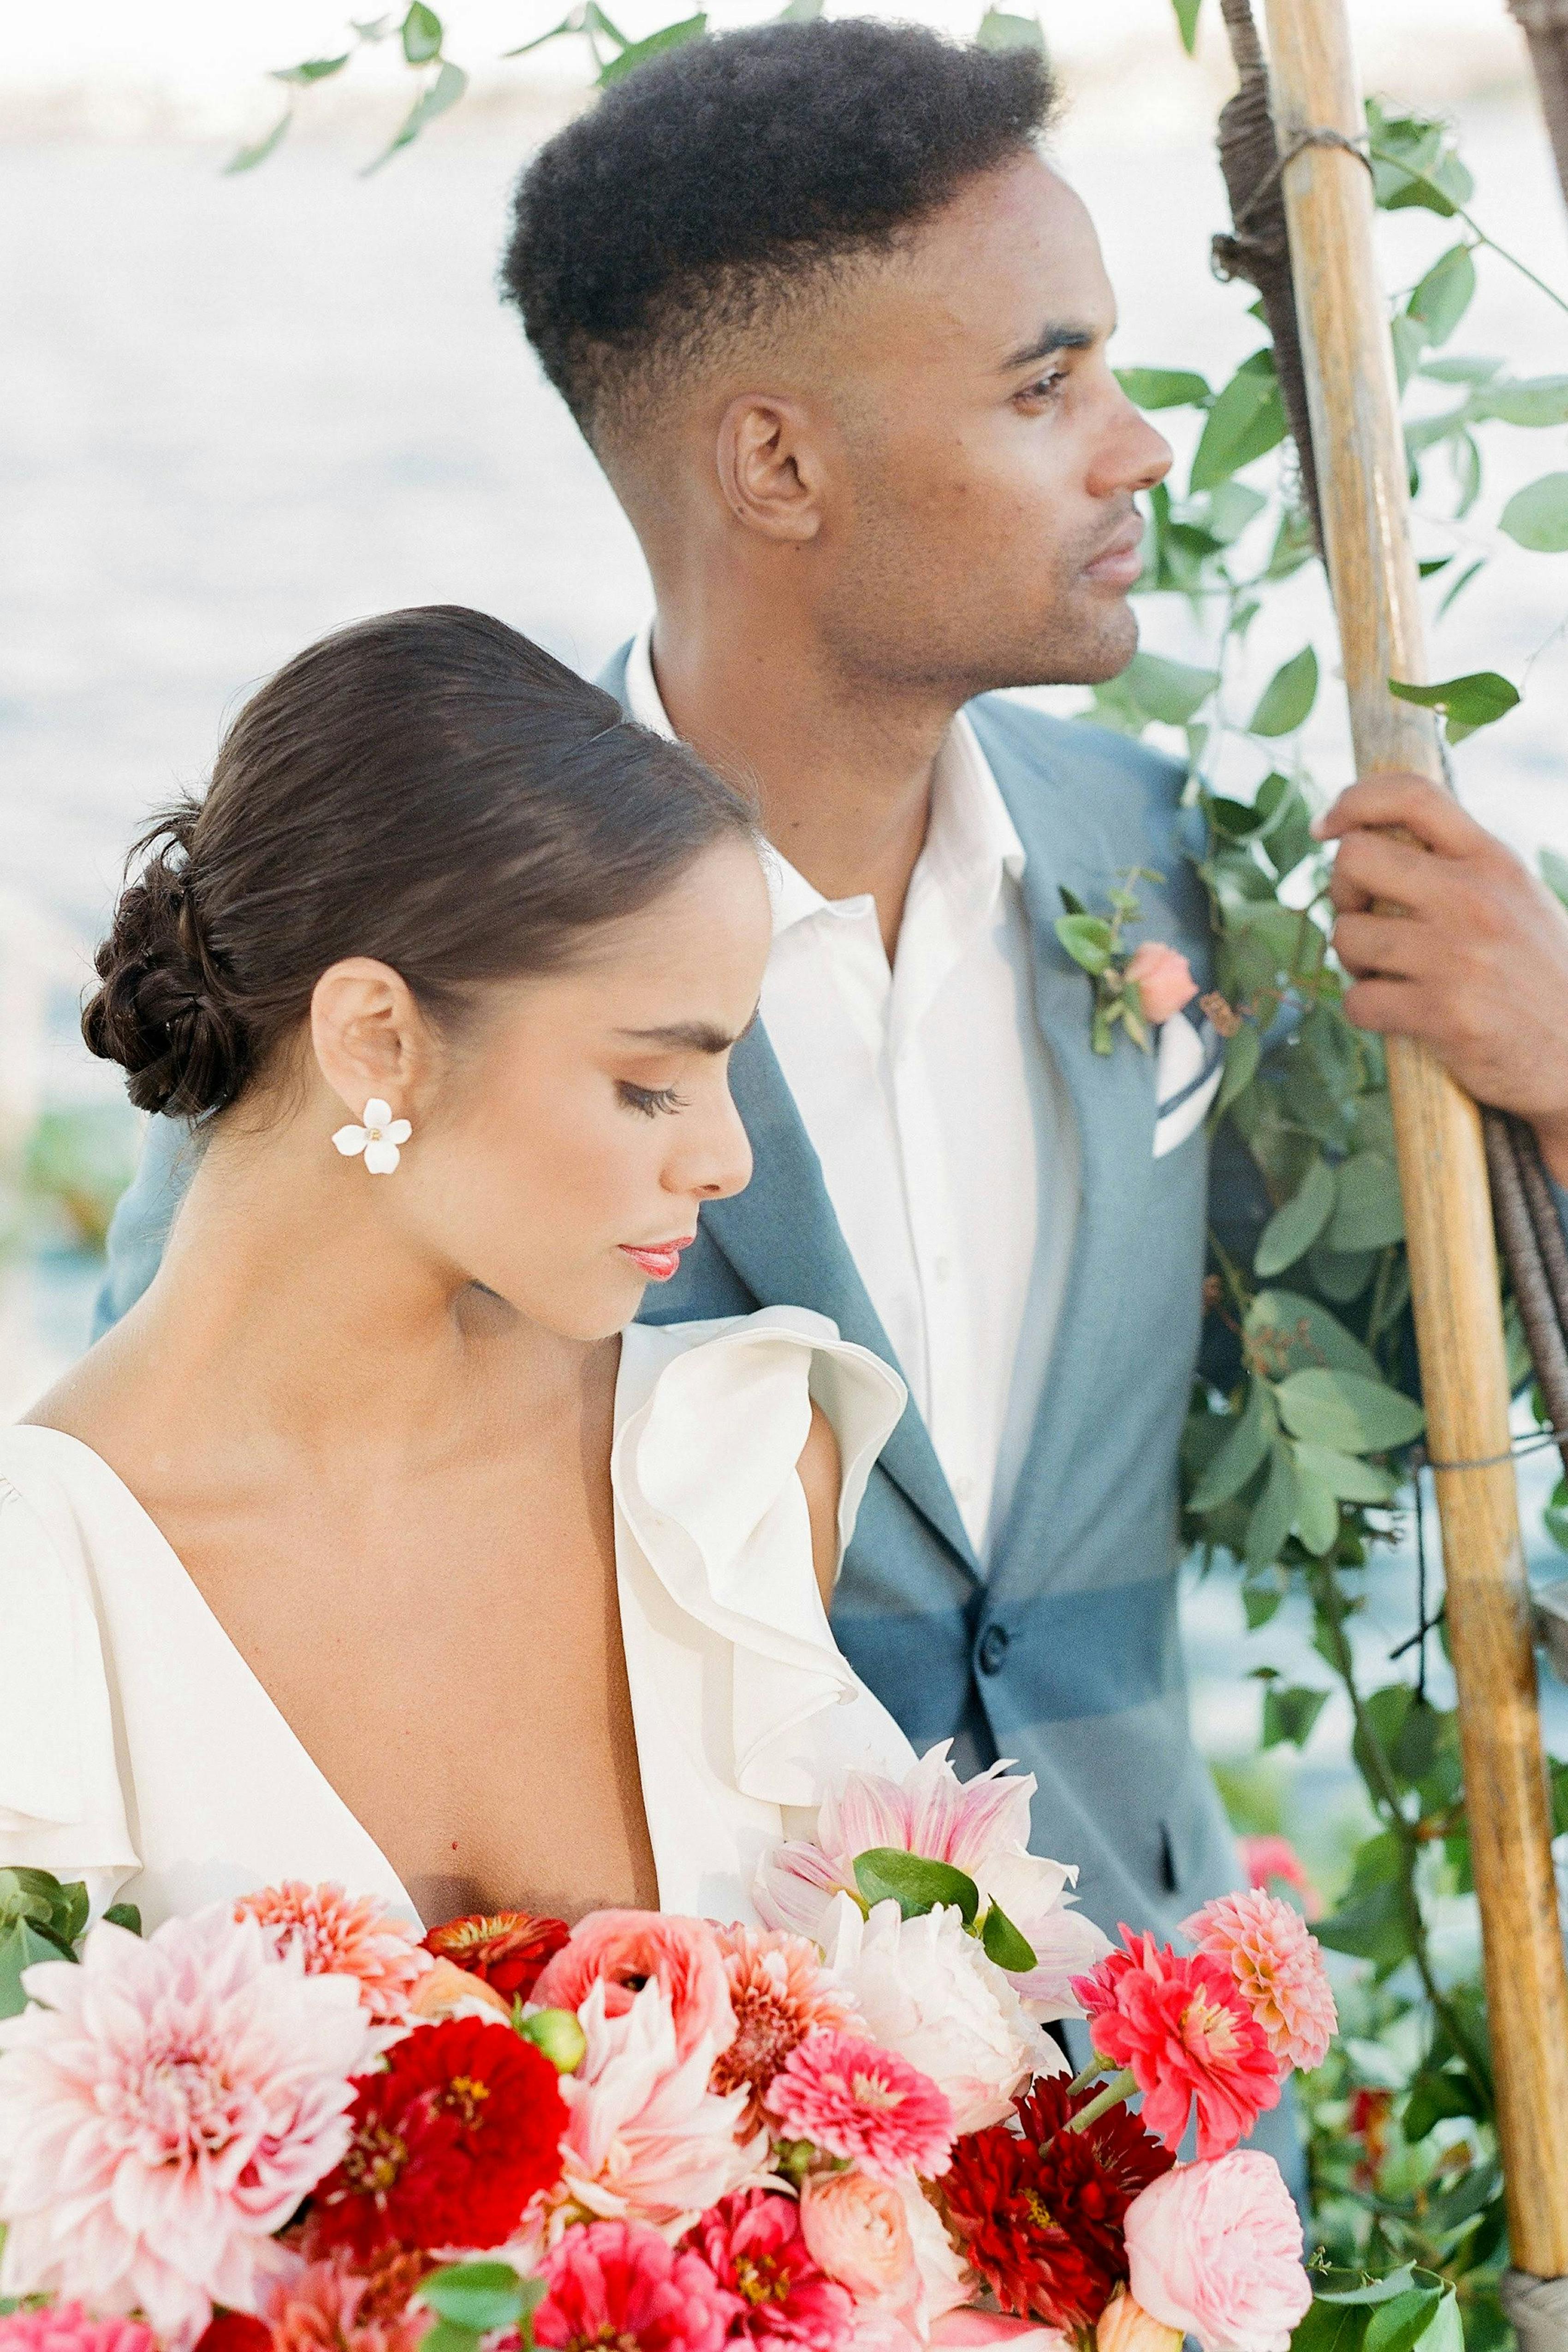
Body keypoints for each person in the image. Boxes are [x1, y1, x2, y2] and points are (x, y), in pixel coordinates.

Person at [95, 24, 1568, 2078]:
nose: (1139, 448)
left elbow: (1414, 1394)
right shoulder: (421, 955)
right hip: (688, 2154)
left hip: (1161, 2120)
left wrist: (1556, 1081)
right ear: (775, 464)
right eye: (1048, 385)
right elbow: (201, 1569)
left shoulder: (1171, 877)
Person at [0, 605, 925, 1934]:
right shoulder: (39, 1609)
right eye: (651, 1083)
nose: (727, 1162)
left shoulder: (733, 1480)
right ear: (376, 1037)